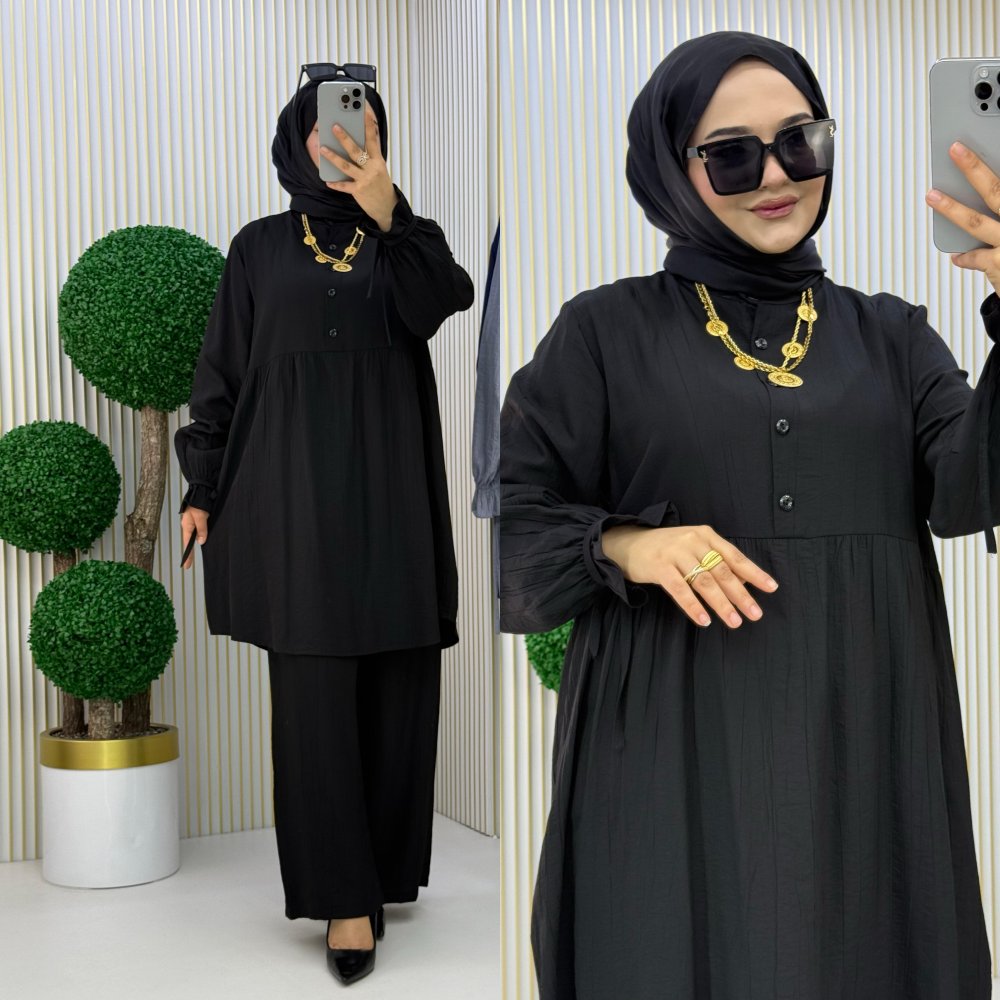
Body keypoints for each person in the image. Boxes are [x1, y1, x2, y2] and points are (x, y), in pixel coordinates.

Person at [498, 31, 999, 999]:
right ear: (669, 167)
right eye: (731, 154)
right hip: (670, 752)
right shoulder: (602, 331)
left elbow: (970, 492)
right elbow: (509, 521)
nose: (775, 175)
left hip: (861, 742)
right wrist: (627, 544)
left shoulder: (893, 335)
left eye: (800, 141)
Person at [175, 65, 474, 986]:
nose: (345, 138)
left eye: (364, 124)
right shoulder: (259, 247)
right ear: (297, 138)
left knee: (398, 683)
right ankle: (344, 899)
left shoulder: (404, 240)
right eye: (329, 125)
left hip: (391, 492)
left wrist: (390, 208)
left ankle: (383, 873)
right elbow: (224, 372)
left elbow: (445, 298)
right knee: (313, 699)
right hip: (291, 497)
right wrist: (202, 486)